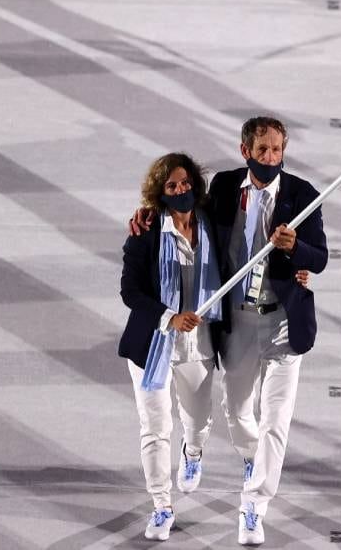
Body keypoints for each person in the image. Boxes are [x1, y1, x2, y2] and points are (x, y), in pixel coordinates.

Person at [131, 117, 328, 546]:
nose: (271, 158)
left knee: (276, 422)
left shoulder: (303, 196)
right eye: (262, 150)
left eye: (277, 150)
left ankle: (254, 506)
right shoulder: (222, 188)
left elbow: (320, 257)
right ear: (245, 152)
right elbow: (185, 214)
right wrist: (148, 213)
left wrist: (297, 250)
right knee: (239, 416)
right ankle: (240, 456)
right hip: (237, 321)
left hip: (283, 324)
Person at [119, 153, 223, 542]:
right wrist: (169, 316)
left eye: (185, 183)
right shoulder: (146, 232)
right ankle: (162, 505)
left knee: (198, 421)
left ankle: (193, 453)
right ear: (160, 194)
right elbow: (130, 291)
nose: (181, 190)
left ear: (195, 184)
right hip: (152, 348)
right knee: (155, 429)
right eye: (171, 186)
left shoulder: (212, 220)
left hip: (199, 345)